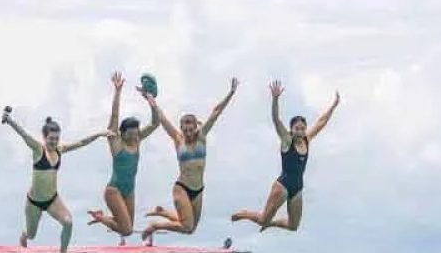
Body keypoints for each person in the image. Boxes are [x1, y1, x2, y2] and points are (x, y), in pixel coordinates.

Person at [2, 110, 112, 253]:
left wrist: (99, 134)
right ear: (44, 137)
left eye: (56, 138)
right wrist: (9, 120)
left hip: (53, 199)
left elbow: (81, 143)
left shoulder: (60, 150)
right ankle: (24, 235)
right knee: (32, 235)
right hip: (34, 201)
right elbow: (24, 135)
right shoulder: (38, 149)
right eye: (51, 139)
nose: (54, 142)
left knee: (68, 222)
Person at [232, 81, 340, 232]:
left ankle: (270, 224)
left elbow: (321, 122)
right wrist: (275, 99)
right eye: (297, 129)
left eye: (303, 129)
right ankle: (246, 214)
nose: (300, 132)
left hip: (297, 188)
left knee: (293, 226)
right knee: (263, 219)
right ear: (291, 129)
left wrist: (333, 106)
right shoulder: (286, 140)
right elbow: (276, 120)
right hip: (282, 186)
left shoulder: (306, 140)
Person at [142, 78, 238, 239]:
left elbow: (216, 112)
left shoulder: (202, 137)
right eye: (184, 125)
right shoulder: (178, 139)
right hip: (182, 188)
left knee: (190, 228)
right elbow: (163, 119)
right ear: (181, 128)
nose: (187, 128)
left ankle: (162, 212)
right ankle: (154, 226)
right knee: (186, 226)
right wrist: (150, 100)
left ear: (195, 126)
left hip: (198, 190)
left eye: (189, 124)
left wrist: (231, 92)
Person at [87, 72, 159, 236]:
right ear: (122, 133)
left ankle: (101, 217)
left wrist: (151, 102)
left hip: (129, 190)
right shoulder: (116, 142)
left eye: (136, 133)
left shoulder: (138, 139)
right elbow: (114, 117)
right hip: (114, 190)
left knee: (127, 229)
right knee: (126, 231)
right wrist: (118, 92)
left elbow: (155, 123)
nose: (134, 137)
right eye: (130, 134)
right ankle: (101, 218)